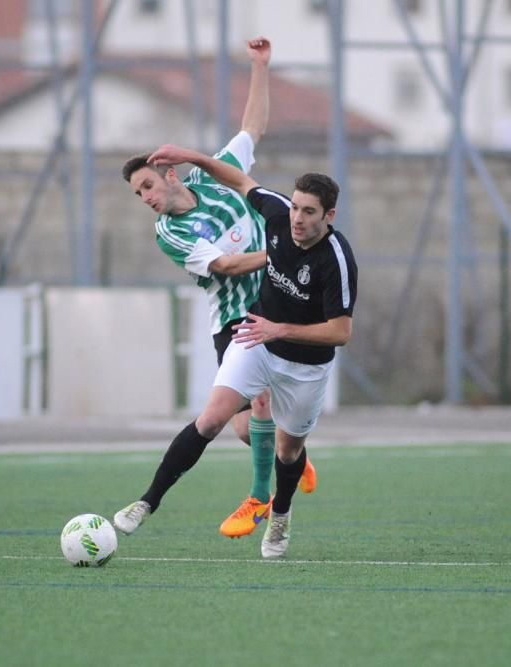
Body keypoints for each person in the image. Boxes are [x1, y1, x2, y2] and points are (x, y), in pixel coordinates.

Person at [117, 36, 315, 540]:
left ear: (169, 171)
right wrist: (281, 253)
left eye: (146, 185)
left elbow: (253, 127)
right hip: (231, 319)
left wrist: (260, 66)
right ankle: (292, 459)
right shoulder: (170, 232)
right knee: (246, 427)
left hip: (272, 307)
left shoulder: (216, 178)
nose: (144, 198)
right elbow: (225, 265)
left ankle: (253, 497)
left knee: (261, 411)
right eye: (138, 193)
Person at [116, 144, 357, 559]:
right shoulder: (279, 215)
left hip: (305, 365)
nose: (297, 219)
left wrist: (281, 328)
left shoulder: (336, 260)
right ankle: (147, 501)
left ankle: (279, 515)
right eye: (295, 208)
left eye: (309, 212)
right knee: (211, 420)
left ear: (329, 216)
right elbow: (239, 179)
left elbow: (341, 332)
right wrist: (191, 156)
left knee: (289, 450)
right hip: (256, 338)